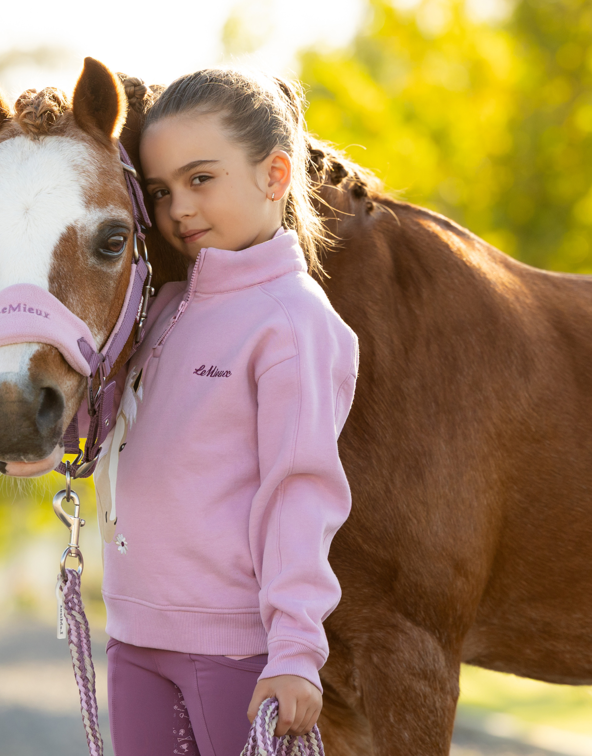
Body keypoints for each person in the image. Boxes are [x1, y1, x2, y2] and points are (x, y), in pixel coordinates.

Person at [94, 68, 359, 756]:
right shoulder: (167, 313)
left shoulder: (293, 323)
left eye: (200, 179)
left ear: (275, 175)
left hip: (230, 650)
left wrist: (296, 651)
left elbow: (301, 494)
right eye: (160, 191)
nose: (178, 207)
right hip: (135, 635)